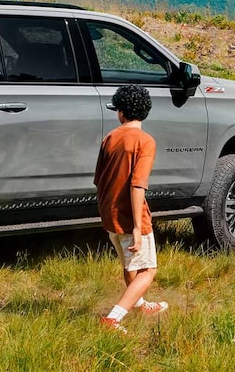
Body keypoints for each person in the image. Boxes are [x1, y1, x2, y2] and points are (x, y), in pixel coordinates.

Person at [93, 84, 168, 333]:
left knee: (131, 265)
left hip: (109, 213)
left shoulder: (110, 138)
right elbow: (138, 185)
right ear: (144, 111)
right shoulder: (145, 142)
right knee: (149, 270)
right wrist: (137, 226)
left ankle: (140, 304)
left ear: (121, 112)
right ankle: (113, 318)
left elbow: (99, 179)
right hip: (131, 216)